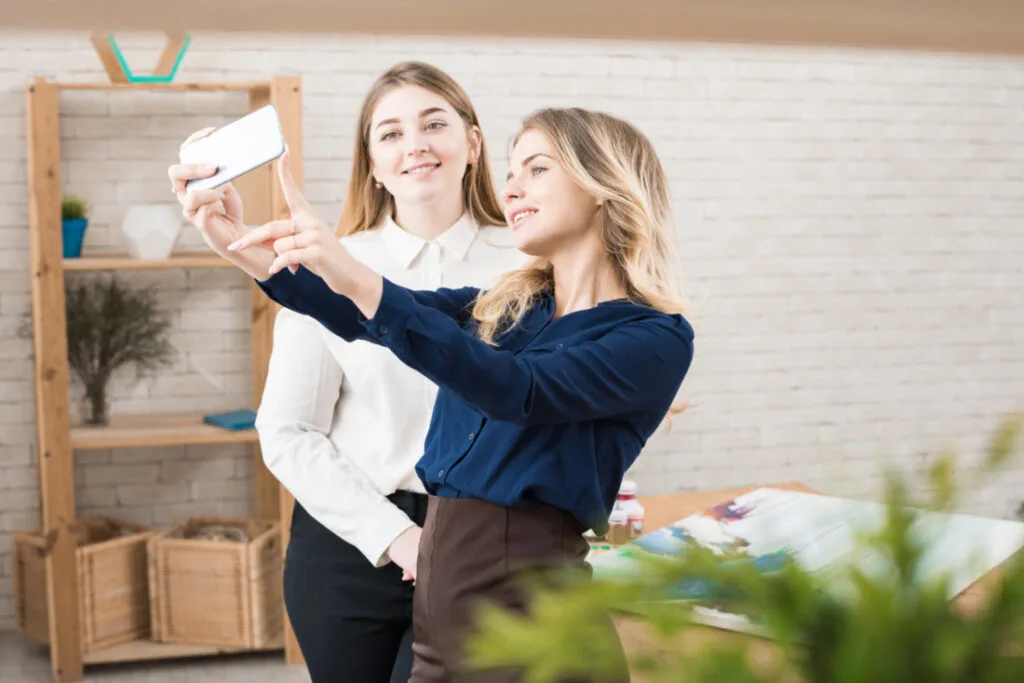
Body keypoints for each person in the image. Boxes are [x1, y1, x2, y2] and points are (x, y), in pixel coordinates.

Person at [173, 105, 694, 682]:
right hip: (442, 615)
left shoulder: (654, 337)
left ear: (604, 185)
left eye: (536, 169)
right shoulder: (506, 305)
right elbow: (366, 315)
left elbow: (517, 391)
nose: (510, 187)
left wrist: (351, 270)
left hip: (528, 618)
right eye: (511, 170)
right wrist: (239, 245)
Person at [169, 61, 525, 683]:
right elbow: (288, 432)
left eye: (433, 123)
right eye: (390, 133)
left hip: (485, 545)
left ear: (472, 143)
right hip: (353, 548)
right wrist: (397, 538)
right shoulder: (327, 262)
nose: (414, 144)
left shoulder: (528, 263)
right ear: (374, 162)